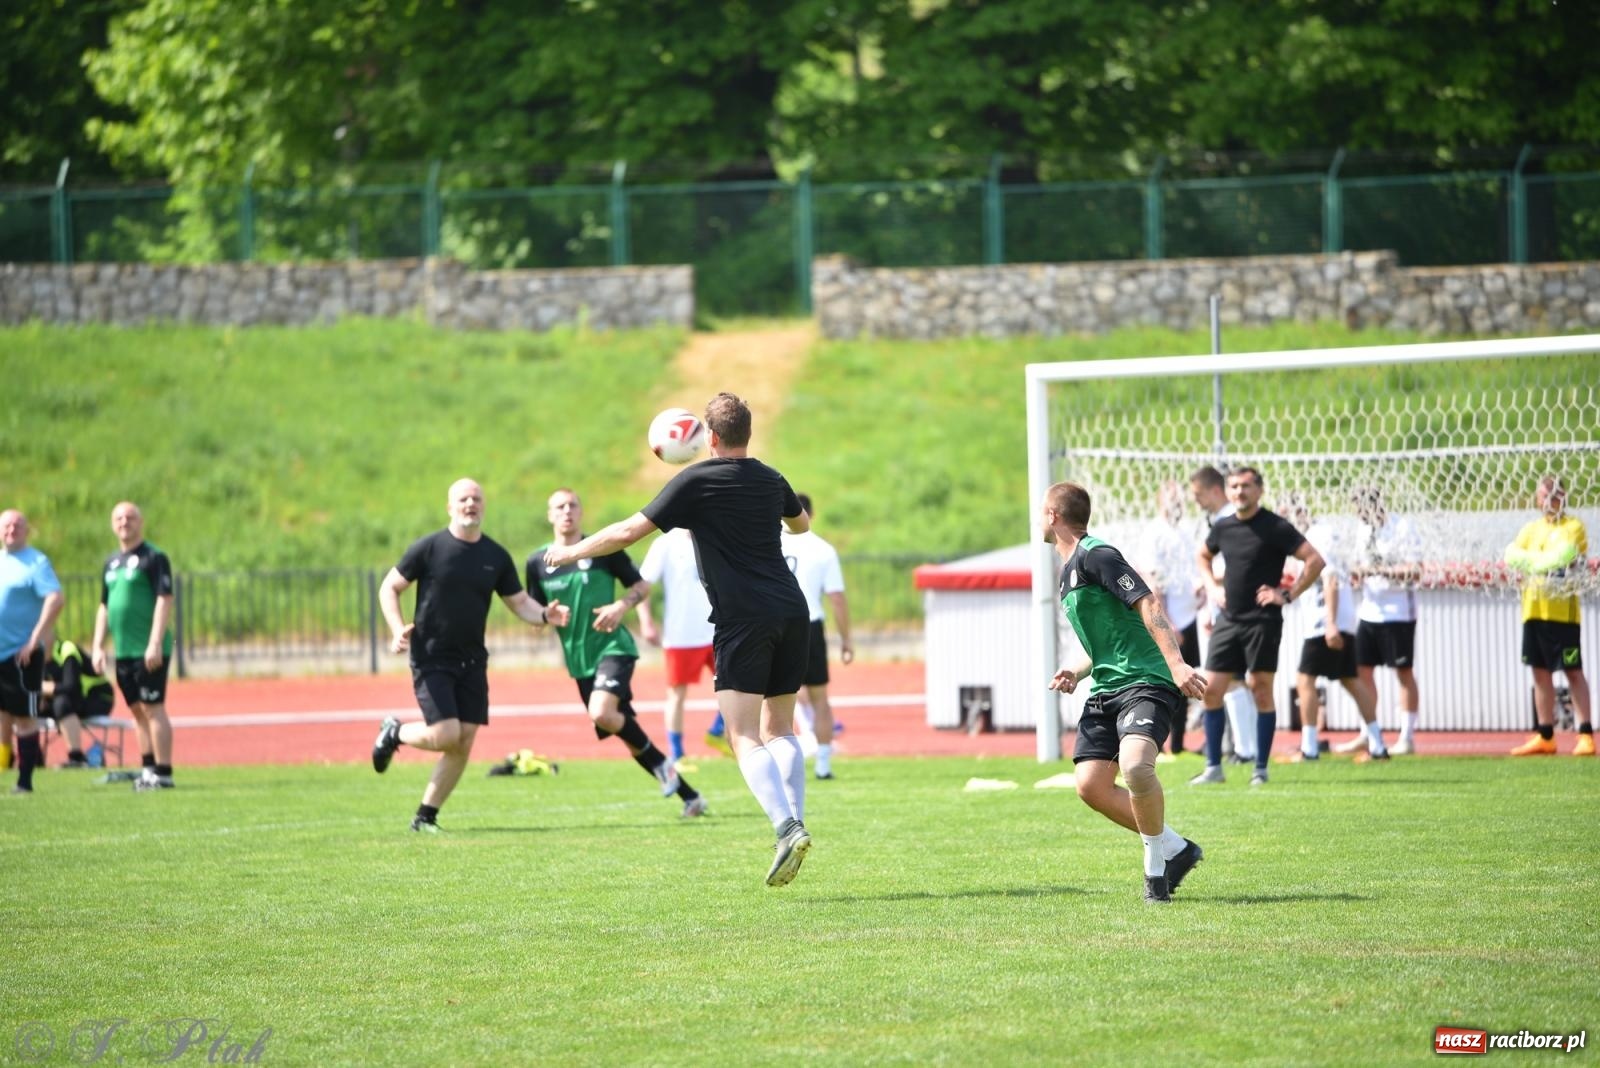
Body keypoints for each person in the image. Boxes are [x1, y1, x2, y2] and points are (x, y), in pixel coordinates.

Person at [544, 392, 815, 888]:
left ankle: (786, 826)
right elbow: (800, 524)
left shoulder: (694, 481)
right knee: (781, 727)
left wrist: (569, 552)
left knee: (743, 735)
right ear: (747, 434)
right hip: (792, 609)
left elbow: (628, 532)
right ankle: (796, 819)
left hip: (743, 618)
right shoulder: (772, 477)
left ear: (709, 438)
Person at [369, 479, 571, 832]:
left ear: (484, 506)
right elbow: (391, 586)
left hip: (473, 661)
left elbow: (519, 602)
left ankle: (425, 817)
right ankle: (395, 733)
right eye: (462, 499)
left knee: (462, 743)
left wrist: (543, 615)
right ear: (450, 507)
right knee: (446, 734)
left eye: (476, 498)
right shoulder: (429, 548)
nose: (470, 504)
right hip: (432, 657)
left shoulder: (495, 556)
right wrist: (396, 626)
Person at [1040, 481, 1208, 903]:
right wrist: (1076, 671)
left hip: (1146, 681)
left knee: (1135, 767)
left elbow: (1148, 604)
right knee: (1090, 786)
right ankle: (1175, 848)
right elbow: (1106, 642)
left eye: (1040, 511)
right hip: (1105, 688)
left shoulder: (1097, 554)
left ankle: (1155, 873)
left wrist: (1176, 664)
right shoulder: (1067, 575)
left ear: (1052, 516)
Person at [526, 488, 707, 818]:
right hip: (579, 661)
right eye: (559, 507)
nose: (567, 511)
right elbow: (533, 616)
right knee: (622, 729)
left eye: (572, 505)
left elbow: (640, 586)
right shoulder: (537, 562)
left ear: (581, 512)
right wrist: (543, 617)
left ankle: (668, 772)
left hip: (613, 647)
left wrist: (620, 606)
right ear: (549, 515)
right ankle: (689, 795)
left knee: (602, 712)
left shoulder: (601, 549)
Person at [1191, 466, 1325, 786]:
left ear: (1259, 490)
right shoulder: (1223, 527)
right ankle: (1214, 768)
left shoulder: (1275, 526)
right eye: (1234, 487)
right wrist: (1211, 587)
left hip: (1262, 622)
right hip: (1229, 620)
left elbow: (1315, 560)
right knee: (1211, 690)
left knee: (1261, 690)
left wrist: (1287, 595)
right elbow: (1202, 556)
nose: (1240, 492)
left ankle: (1260, 769)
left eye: (1246, 486)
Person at [1274, 497, 1387, 764]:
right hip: (1337, 619)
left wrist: (1330, 623)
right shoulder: (1318, 534)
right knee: (1351, 680)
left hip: (1325, 621)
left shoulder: (1317, 536)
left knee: (1305, 679)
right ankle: (1378, 745)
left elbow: (1331, 577)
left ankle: (1310, 748)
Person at [1504, 475, 1592, 756]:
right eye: (1544, 495)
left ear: (1564, 497)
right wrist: (1533, 562)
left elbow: (1564, 555)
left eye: (1555, 495)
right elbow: (1512, 555)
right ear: (1537, 498)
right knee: (1539, 672)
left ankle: (1586, 734)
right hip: (1533, 609)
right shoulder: (1530, 530)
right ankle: (1545, 736)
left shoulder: (1573, 526)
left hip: (1562, 614)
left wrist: (1534, 562)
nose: (1549, 501)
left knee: (1572, 671)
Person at [92, 501, 177, 791]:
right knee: (138, 711)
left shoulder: (154, 558)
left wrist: (154, 642)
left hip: (149, 650)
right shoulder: (111, 563)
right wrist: (97, 645)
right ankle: (148, 769)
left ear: (140, 522)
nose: (124, 522)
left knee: (153, 708)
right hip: (124, 651)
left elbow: (164, 598)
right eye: (118, 517)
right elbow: (105, 606)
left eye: (130, 517)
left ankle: (164, 773)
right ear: (112, 524)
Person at [779, 492, 854, 780]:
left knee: (775, 697)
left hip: (778, 625)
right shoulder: (823, 549)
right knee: (820, 698)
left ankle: (783, 762)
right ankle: (823, 763)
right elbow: (837, 598)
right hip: (809, 625)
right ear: (811, 513)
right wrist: (847, 639)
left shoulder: (770, 542)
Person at [1345, 487, 1425, 755]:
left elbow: (1415, 571)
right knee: (1361, 671)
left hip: (1398, 612)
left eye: (1361, 509)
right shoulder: (1362, 530)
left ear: (1375, 505)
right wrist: (1357, 573)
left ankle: (1406, 736)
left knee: (1402, 673)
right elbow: (1358, 566)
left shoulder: (1402, 528)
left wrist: (1377, 571)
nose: (1359, 515)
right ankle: (1367, 732)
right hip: (1369, 611)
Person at [1188, 465, 1259, 764]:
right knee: (1229, 681)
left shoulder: (1234, 519)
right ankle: (1243, 748)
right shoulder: (1218, 521)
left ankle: (1248, 749)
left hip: (1240, 613)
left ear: (1215, 490)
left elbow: (1239, 565)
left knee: (1235, 681)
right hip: (1222, 611)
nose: (1197, 501)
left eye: (1199, 494)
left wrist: (1212, 588)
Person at [637, 526, 725, 766]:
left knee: (739, 683)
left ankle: (719, 731)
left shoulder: (715, 534)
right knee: (677, 694)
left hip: (720, 629)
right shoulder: (665, 544)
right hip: (682, 634)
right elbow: (641, 585)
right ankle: (677, 754)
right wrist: (646, 621)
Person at [1135, 480, 1202, 758]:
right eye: (1171, 498)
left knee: (1187, 681)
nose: (1177, 504)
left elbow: (1191, 571)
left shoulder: (1186, 532)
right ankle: (1156, 743)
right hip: (1168, 621)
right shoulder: (1154, 533)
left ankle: (1178, 744)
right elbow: (1152, 581)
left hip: (1190, 616)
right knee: (1162, 682)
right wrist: (1168, 622)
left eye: (1180, 499)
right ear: (1160, 500)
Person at [0, 510, 65, 795]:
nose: (11, 529)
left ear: (26, 530)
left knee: (24, 718)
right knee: (2, 717)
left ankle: (24, 782)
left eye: (17, 525)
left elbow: (56, 598)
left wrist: (34, 639)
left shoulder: (36, 562)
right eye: (6, 525)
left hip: (21, 655)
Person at [43, 637, 115, 768]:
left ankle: (76, 758)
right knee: (31, 708)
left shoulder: (66, 649)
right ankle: (33, 757)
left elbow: (71, 686)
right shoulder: (32, 654)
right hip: (76, 699)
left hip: (99, 697)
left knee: (61, 704)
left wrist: (44, 688)